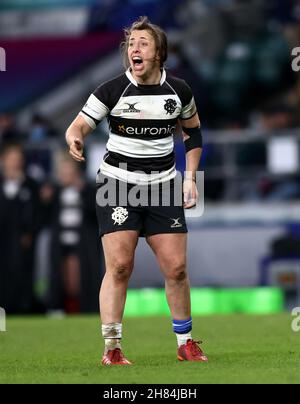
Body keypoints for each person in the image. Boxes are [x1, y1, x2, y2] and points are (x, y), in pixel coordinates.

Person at [66, 16, 207, 365]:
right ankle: (112, 349)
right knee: (119, 267)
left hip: (162, 186)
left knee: (176, 269)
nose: (135, 49)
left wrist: (190, 178)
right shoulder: (112, 90)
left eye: (143, 43)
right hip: (118, 184)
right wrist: (75, 137)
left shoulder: (179, 91)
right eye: (131, 44)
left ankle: (186, 343)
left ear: (159, 52)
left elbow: (193, 134)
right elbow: (79, 124)